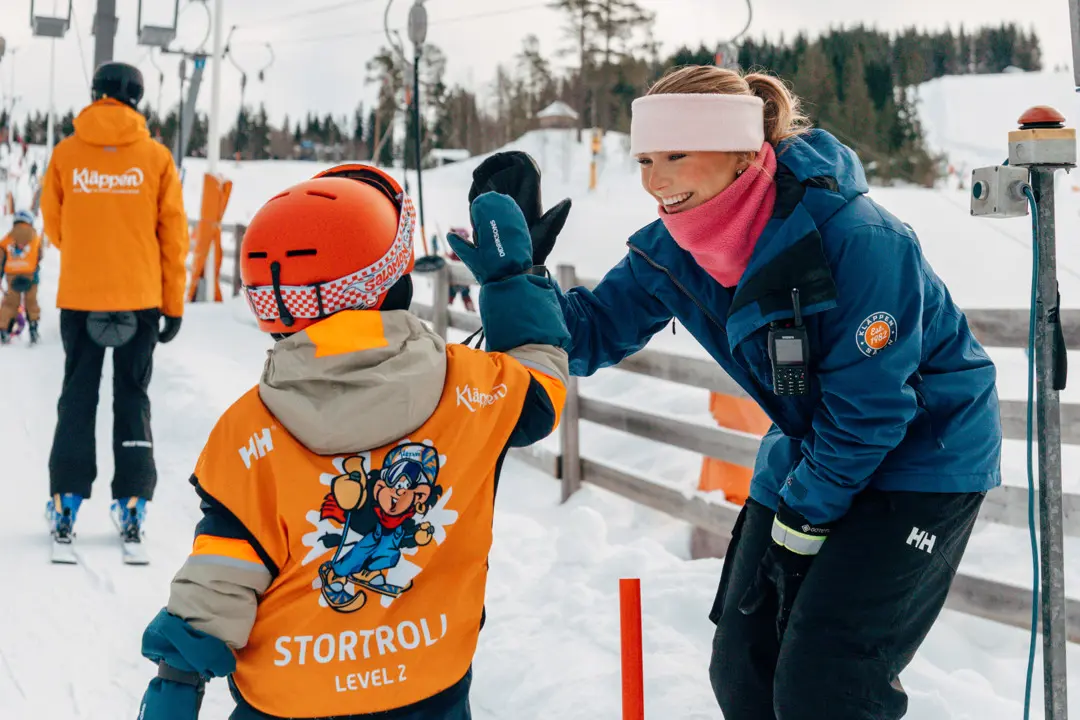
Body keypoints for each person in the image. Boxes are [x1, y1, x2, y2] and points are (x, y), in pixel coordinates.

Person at [470, 65, 1001, 719]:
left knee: (828, 682)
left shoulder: (857, 239)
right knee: (743, 672)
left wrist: (801, 525)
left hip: (924, 459)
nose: (654, 181)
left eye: (676, 156)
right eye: (644, 159)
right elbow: (586, 335)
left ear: (744, 152)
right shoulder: (672, 249)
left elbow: (872, 411)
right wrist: (517, 280)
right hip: (814, 447)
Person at [135, 163, 570, 720]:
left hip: (287, 701)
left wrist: (177, 680)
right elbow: (541, 377)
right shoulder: (474, 389)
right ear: (398, 283)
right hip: (428, 689)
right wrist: (514, 282)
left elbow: (223, 574)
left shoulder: (249, 431)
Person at [40, 61, 188, 548]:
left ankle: (66, 499)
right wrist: (173, 305)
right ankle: (132, 502)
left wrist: (89, 249)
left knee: (77, 398)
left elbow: (55, 227)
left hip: (81, 300)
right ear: (137, 99)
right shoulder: (156, 158)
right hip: (141, 300)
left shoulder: (66, 153)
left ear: (96, 93)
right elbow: (173, 239)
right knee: (133, 398)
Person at [0, 209, 43, 345]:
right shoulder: (35, 236)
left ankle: (4, 330)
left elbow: (1, 258)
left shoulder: (7, 238)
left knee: (10, 303)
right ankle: (33, 329)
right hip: (30, 274)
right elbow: (40, 255)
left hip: (12, 275)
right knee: (31, 302)